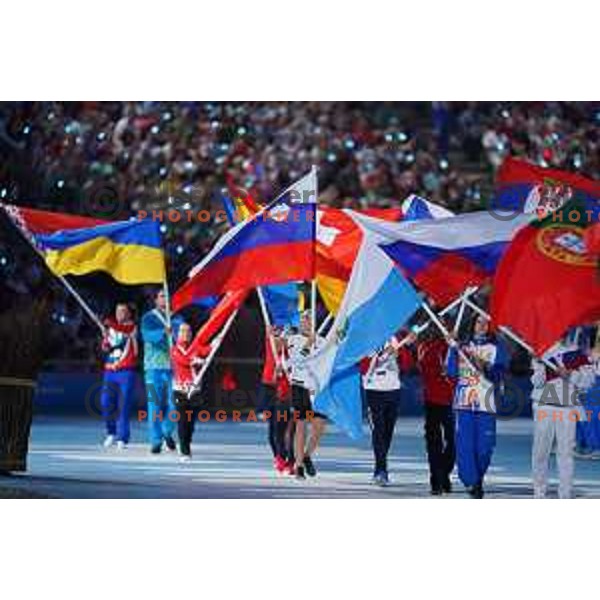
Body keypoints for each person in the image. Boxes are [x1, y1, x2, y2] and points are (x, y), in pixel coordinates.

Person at [446, 314, 507, 499]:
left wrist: (485, 366)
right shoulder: (460, 346)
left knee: (485, 448)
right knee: (465, 445)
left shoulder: (496, 348)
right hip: (464, 402)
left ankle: (477, 477)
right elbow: (451, 372)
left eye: (486, 323)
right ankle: (471, 482)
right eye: (479, 322)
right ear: (472, 324)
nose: (482, 326)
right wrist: (452, 349)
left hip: (486, 403)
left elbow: (499, 374)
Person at [531, 335, 594, 498]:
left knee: (566, 454)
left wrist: (570, 375)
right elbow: (537, 383)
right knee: (540, 452)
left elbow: (588, 381)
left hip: (566, 408)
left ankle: (565, 495)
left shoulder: (577, 354)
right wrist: (539, 364)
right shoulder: (542, 351)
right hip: (543, 405)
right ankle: (539, 494)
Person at [360, 337, 412, 486]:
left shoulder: (394, 338)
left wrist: (402, 352)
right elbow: (362, 366)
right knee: (378, 430)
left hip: (393, 390)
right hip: (373, 390)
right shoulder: (366, 339)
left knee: (387, 432)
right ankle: (381, 470)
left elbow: (408, 366)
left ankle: (380, 465)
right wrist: (381, 354)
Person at [284, 312, 327, 480]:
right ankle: (299, 464)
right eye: (302, 319)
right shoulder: (293, 340)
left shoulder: (322, 341)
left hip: (316, 389)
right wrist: (309, 341)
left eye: (308, 319)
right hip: (299, 386)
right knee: (301, 425)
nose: (305, 322)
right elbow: (298, 359)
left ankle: (307, 455)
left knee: (319, 426)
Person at [416, 326, 456, 495]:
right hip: (432, 401)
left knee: (454, 442)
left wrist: (453, 347)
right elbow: (424, 367)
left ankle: (444, 473)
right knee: (434, 443)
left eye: (441, 325)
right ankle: (436, 480)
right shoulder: (424, 347)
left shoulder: (452, 346)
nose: (437, 329)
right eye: (434, 325)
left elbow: (461, 369)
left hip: (452, 401)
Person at [141, 290, 177, 454]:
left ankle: (166, 432)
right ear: (155, 299)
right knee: (154, 405)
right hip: (153, 368)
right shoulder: (148, 317)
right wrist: (164, 332)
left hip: (175, 368)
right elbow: (148, 336)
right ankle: (155, 440)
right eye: (162, 296)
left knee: (175, 404)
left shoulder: (177, 318)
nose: (165, 299)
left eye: (167, 296)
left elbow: (183, 338)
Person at [171, 322, 211, 462]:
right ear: (177, 334)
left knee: (191, 423)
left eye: (188, 331)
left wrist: (216, 342)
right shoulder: (174, 349)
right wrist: (197, 360)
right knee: (182, 421)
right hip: (180, 391)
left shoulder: (196, 347)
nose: (185, 334)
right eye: (182, 331)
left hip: (195, 391)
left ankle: (187, 441)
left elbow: (208, 350)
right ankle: (184, 450)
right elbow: (183, 361)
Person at [99, 303, 138, 450]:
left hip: (125, 371)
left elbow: (124, 330)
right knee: (105, 402)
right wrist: (105, 339)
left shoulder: (132, 327)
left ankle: (122, 437)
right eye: (117, 311)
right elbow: (106, 348)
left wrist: (111, 325)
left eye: (123, 311)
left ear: (129, 314)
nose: (119, 314)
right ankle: (111, 432)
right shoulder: (111, 329)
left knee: (124, 405)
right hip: (110, 371)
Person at [261, 327, 294, 475]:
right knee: (274, 429)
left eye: (284, 338)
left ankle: (290, 460)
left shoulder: (293, 354)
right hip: (272, 390)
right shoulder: (272, 347)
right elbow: (273, 378)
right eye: (278, 337)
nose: (281, 340)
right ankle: (279, 456)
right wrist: (276, 372)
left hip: (290, 394)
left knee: (290, 429)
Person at [575, 325, 600, 458]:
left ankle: (594, 447)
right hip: (591, 376)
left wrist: (591, 354)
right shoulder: (588, 331)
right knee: (585, 412)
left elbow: (593, 355)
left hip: (596, 378)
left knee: (590, 413)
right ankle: (585, 444)